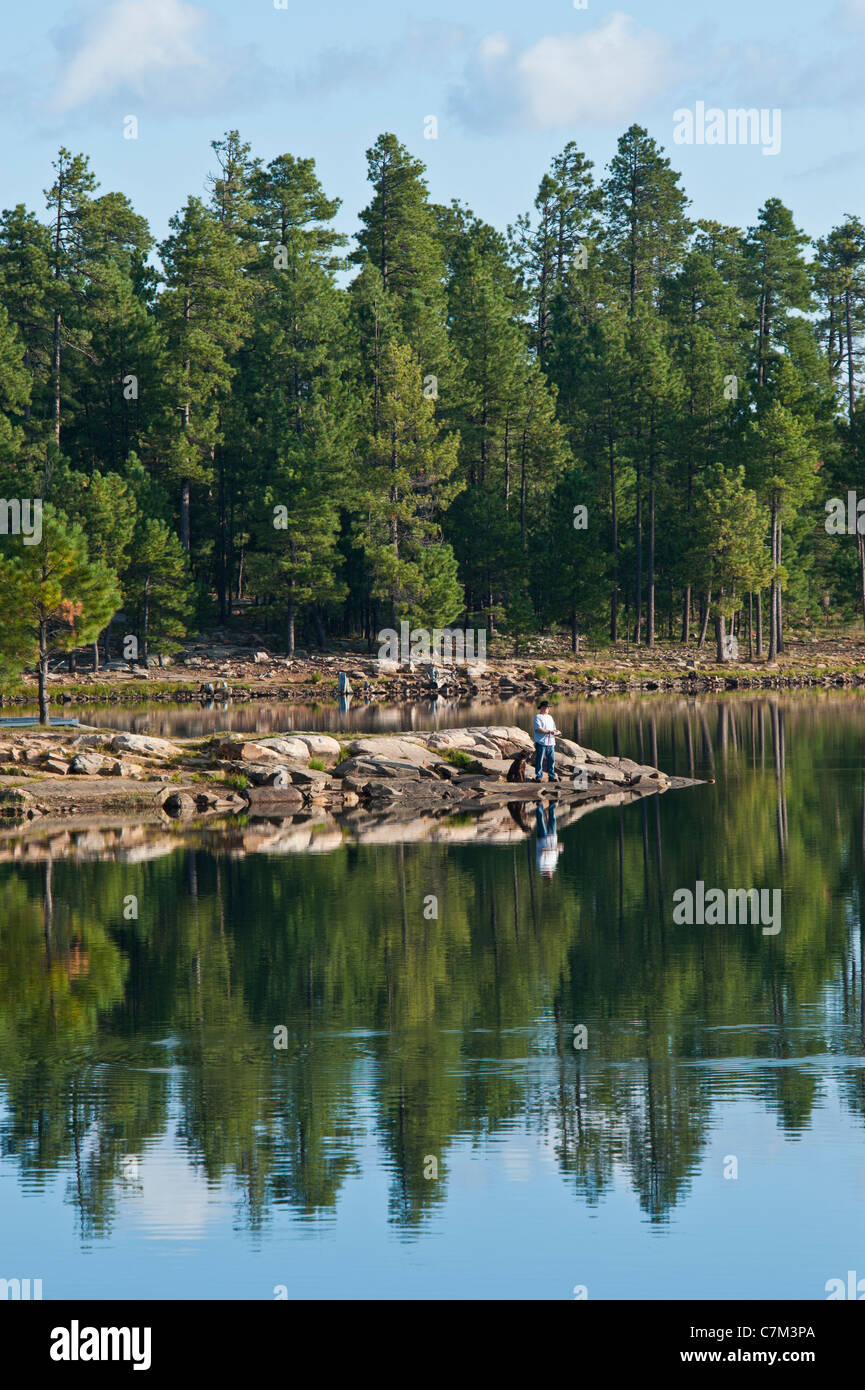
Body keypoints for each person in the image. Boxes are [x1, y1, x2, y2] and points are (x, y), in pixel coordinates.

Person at [533, 700, 561, 782]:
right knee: (539, 760)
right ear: (541, 708)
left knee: (551, 760)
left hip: (551, 742)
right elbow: (538, 729)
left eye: (548, 707)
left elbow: (554, 729)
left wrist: (557, 732)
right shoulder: (537, 717)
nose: (547, 708)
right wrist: (549, 732)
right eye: (545, 707)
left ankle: (551, 776)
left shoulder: (550, 717)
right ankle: (538, 776)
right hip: (541, 742)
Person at [535, 803, 564, 878]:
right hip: (552, 838)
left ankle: (539, 805)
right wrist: (559, 848)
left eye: (550, 875)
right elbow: (556, 852)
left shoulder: (541, 866)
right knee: (553, 820)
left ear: (546, 874)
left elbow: (542, 851)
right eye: (551, 875)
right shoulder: (553, 865)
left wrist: (551, 850)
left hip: (542, 839)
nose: (551, 873)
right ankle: (552, 805)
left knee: (541, 821)